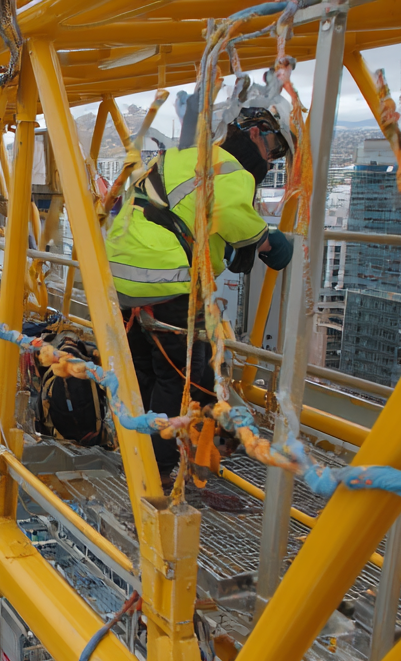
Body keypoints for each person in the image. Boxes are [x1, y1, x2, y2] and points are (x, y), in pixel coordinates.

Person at [106, 107, 296, 478]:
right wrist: (268, 241)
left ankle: (136, 452)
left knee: (142, 368)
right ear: (256, 133)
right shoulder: (230, 169)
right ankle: (158, 467)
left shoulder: (182, 155)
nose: (270, 160)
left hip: (120, 276)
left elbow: (182, 210)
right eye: (273, 148)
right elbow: (236, 219)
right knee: (180, 377)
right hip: (164, 278)